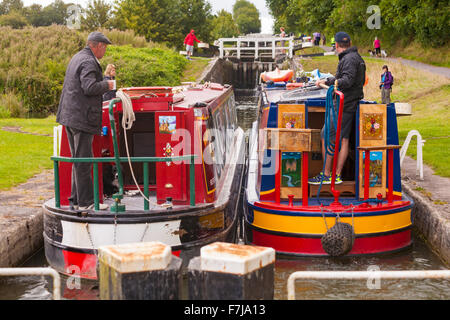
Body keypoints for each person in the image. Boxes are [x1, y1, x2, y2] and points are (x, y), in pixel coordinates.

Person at [56, 31, 115, 210]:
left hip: (70, 116)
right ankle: (86, 203)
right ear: (96, 46)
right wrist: (108, 84)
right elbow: (89, 87)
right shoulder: (89, 61)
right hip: (82, 118)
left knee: (77, 160)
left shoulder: (78, 57)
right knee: (84, 161)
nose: (104, 51)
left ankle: (75, 198)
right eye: (104, 47)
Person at [309, 31, 366, 185]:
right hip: (350, 103)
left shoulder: (348, 59)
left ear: (336, 45)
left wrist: (333, 84)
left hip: (344, 104)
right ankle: (337, 175)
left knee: (327, 135)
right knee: (344, 138)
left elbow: (346, 80)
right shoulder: (354, 57)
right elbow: (345, 78)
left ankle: (328, 174)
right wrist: (327, 81)